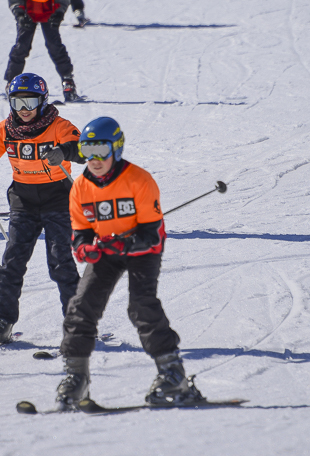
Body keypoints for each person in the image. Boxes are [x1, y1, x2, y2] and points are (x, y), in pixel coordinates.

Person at [54, 116, 203, 410]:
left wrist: (126, 243)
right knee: (81, 305)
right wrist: (84, 249)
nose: (94, 159)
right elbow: (80, 231)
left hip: (142, 250)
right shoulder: (80, 187)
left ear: (116, 149)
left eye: (101, 150)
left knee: (141, 305)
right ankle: (76, 376)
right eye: (88, 150)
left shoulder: (139, 180)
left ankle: (173, 373)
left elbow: (153, 234)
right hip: (107, 250)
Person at [0, 73, 85, 347]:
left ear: (42, 101)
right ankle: (0, 321)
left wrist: (64, 152)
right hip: (23, 201)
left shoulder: (59, 125)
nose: (24, 110)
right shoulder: (5, 129)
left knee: (60, 261)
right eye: (17, 103)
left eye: (30, 102)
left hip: (58, 198)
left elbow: (83, 149)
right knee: (12, 262)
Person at [6, 0, 81, 101]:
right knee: (21, 46)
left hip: (48, 13)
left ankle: (68, 81)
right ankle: (11, 82)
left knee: (55, 46)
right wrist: (19, 13)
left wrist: (58, 13)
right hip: (27, 13)